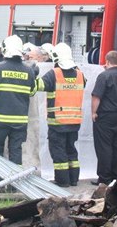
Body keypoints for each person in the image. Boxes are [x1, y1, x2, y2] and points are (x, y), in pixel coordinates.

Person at [0, 35, 38, 185]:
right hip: (19, 122)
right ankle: (16, 185)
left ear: (5, 50)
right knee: (15, 151)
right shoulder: (28, 71)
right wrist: (35, 74)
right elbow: (32, 92)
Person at [37, 43, 86, 187]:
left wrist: (33, 73)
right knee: (71, 150)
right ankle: (73, 179)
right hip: (74, 122)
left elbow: (39, 86)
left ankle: (62, 181)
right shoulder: (80, 74)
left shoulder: (54, 74)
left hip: (58, 122)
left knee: (59, 152)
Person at [91, 50, 117, 185]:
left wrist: (93, 112)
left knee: (104, 147)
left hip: (106, 116)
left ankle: (104, 178)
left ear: (107, 61)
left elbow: (96, 96)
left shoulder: (104, 76)